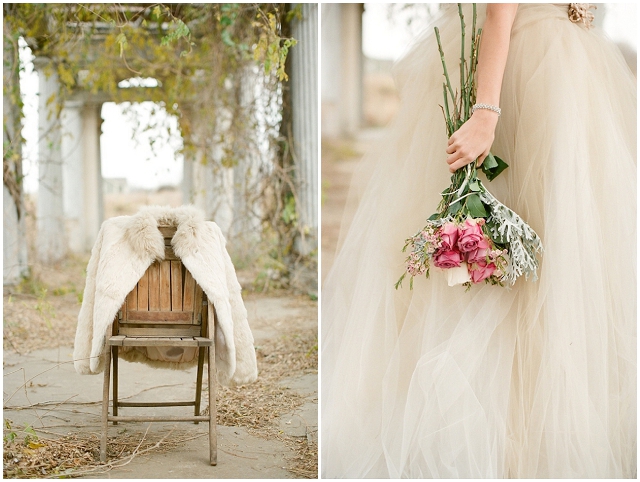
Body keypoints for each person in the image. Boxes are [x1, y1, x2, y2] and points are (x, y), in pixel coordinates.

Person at [321, 3, 636, 478]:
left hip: (564, 76)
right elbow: (498, 9)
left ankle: (534, 439)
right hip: (526, 74)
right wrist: (485, 113)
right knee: (505, 265)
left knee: (556, 267)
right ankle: (494, 439)